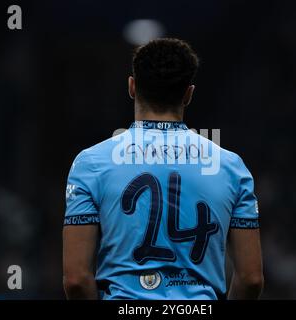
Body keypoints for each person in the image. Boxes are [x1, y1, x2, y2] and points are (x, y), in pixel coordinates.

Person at [62, 38, 263, 300]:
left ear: (132, 87)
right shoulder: (231, 167)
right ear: (188, 93)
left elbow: (76, 280)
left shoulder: (91, 163)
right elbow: (251, 279)